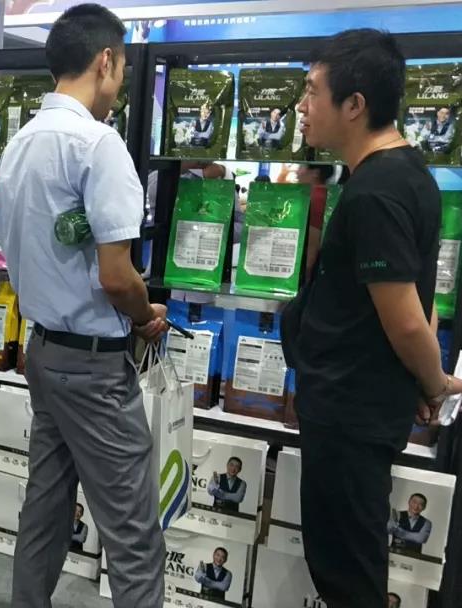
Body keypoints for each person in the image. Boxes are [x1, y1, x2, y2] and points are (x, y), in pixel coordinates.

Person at [282, 29, 462, 607]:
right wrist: (418, 379)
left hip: (349, 413)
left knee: (347, 574)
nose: (301, 106)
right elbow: (421, 296)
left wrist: (433, 383)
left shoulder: (377, 190)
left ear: (354, 104)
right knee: (348, 564)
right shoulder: (406, 173)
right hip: (358, 403)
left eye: (313, 91)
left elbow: (406, 319)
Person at [0, 6, 167, 607]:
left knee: (44, 510)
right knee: (133, 533)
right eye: (121, 72)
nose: (119, 87)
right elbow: (118, 277)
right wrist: (145, 315)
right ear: (106, 61)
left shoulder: (19, 144)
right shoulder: (98, 144)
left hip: (44, 351)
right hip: (94, 368)